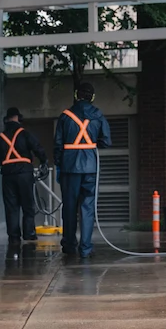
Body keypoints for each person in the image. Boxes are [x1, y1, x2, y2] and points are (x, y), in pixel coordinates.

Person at [55, 82, 111, 258]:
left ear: (76, 95)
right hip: (90, 167)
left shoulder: (65, 116)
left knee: (69, 207)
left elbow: (57, 145)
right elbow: (107, 141)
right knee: (87, 207)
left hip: (69, 167)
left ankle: (70, 245)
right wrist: (92, 144)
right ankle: (85, 248)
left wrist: (60, 164)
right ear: (92, 97)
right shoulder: (98, 115)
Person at [0, 107, 47, 243]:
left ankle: (14, 236)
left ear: (6, 119)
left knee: (11, 206)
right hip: (25, 174)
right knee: (27, 205)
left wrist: (7, 162)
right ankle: (29, 233)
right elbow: (38, 148)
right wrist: (44, 161)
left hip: (8, 175)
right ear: (18, 118)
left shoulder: (0, 138)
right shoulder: (25, 134)